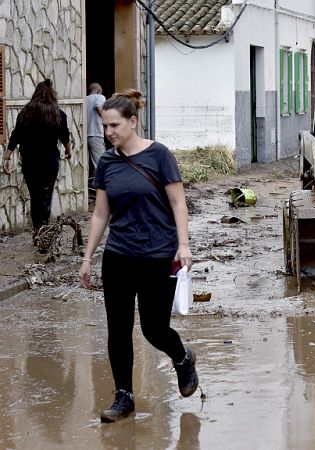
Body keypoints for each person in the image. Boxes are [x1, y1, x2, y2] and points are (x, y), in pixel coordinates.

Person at [78, 89, 198, 423]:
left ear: (133, 121)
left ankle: (182, 358)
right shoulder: (107, 162)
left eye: (114, 125)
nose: (109, 132)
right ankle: (124, 397)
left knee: (154, 329)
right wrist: (88, 257)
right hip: (119, 256)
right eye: (105, 127)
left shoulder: (159, 155)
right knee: (117, 330)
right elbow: (101, 213)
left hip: (157, 255)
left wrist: (183, 245)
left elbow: (178, 202)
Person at [2, 79, 72, 239]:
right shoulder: (58, 114)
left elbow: (15, 135)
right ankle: (44, 230)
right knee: (46, 195)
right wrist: (69, 152)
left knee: (35, 196)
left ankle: (37, 230)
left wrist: (7, 157)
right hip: (49, 161)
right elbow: (64, 136)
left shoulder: (25, 112)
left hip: (29, 161)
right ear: (52, 95)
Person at [86, 83, 106, 171]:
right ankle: (103, 183)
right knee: (100, 161)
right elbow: (98, 106)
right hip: (96, 133)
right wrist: (107, 119)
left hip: (85, 134)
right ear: (98, 90)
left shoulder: (85, 99)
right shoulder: (100, 97)